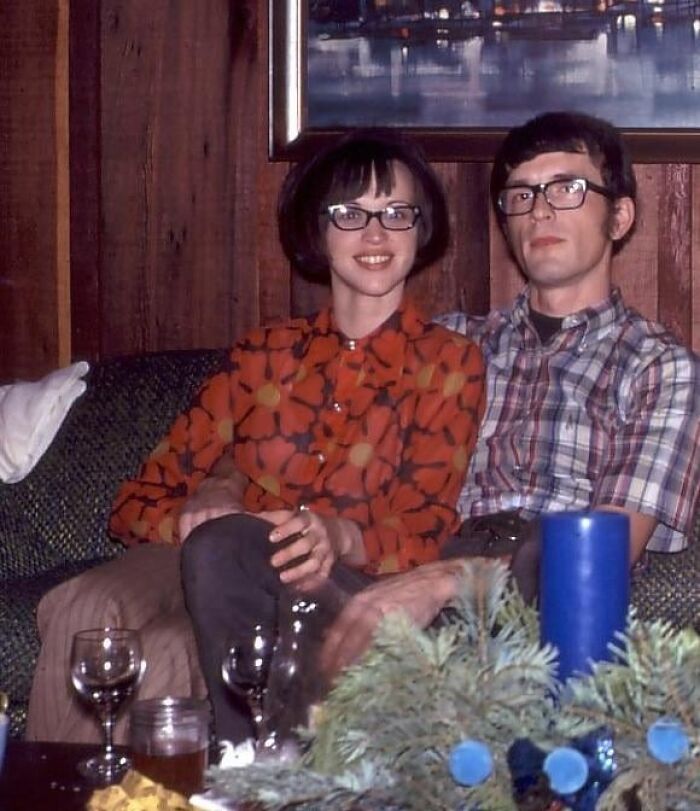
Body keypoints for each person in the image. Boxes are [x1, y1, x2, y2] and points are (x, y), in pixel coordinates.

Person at [26, 129, 485, 744]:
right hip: (202, 555)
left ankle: (251, 770)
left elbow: (424, 531)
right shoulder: (261, 356)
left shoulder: (449, 363)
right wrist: (206, 507)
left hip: (329, 581)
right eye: (350, 214)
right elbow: (135, 502)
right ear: (317, 233)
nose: (375, 235)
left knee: (169, 638)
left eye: (396, 214)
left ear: (420, 230)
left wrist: (339, 535)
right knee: (84, 609)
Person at [320, 110, 700, 679]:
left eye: (566, 189)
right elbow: (319, 428)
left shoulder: (659, 367)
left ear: (618, 216)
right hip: (421, 549)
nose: (540, 208)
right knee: (245, 558)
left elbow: (607, 551)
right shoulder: (448, 342)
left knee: (567, 545)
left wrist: (446, 582)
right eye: (520, 194)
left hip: (547, 575)